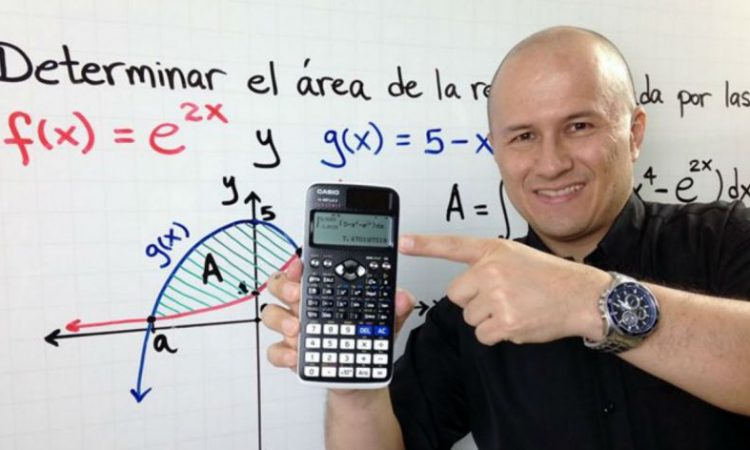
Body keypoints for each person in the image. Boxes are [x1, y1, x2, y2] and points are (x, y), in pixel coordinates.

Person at [262, 26, 750, 449]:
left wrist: (587, 299)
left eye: (579, 126)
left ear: (634, 133)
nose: (551, 163)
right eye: (523, 137)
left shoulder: (725, 237)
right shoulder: (467, 313)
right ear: (496, 149)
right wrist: (354, 388)